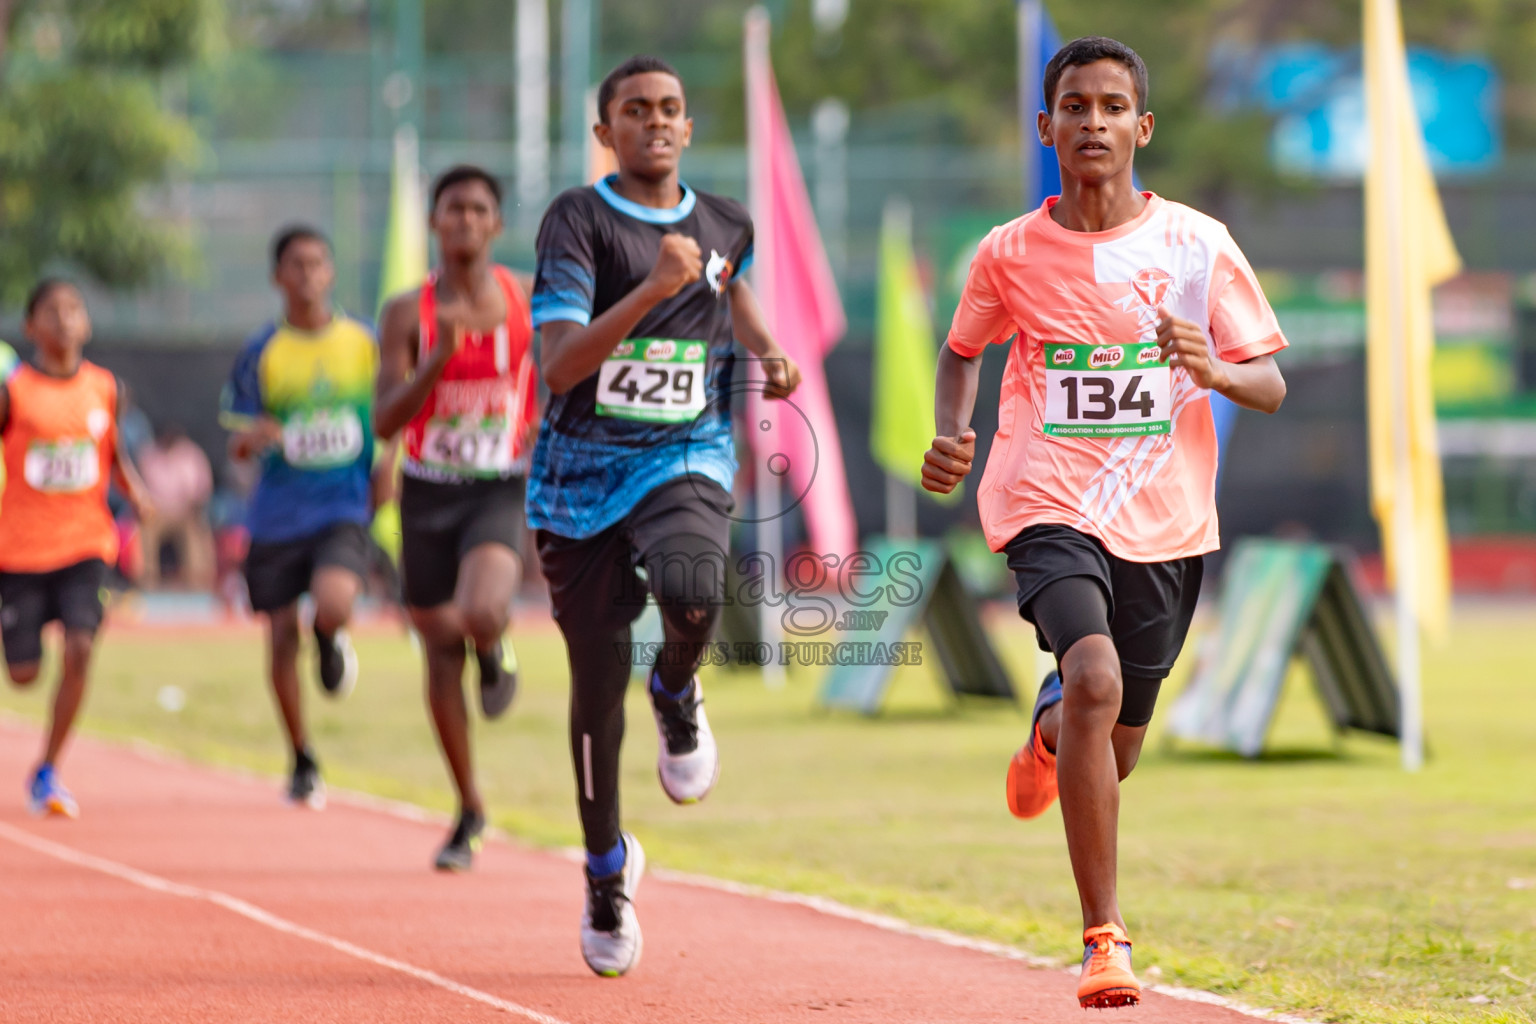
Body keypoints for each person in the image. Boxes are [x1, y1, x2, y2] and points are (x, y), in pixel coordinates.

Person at [922, 36, 1288, 1011]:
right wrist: (952, 432)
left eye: (1112, 106)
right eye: (1074, 106)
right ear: (1047, 129)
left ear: (1142, 126)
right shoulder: (1007, 251)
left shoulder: (1197, 245)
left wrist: (1211, 370)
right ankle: (1105, 937)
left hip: (1166, 523)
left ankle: (1050, 736)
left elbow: (1271, 381)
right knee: (1093, 674)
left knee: (1113, 740)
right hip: (1047, 499)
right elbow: (963, 351)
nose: (1093, 122)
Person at [530, 55, 800, 977]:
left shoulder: (726, 221)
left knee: (693, 591)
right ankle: (607, 869)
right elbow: (560, 366)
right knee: (593, 681)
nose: (656, 121)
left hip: (685, 451)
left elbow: (736, 288)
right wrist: (650, 289)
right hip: (578, 479)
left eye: (671, 109)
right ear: (607, 133)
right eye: (635, 110)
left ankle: (678, 692)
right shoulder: (580, 220)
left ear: (688, 129)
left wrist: (768, 353)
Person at [375, 166, 538, 872]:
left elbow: (560, 375)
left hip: (498, 485)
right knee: (439, 650)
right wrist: (436, 358)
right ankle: (468, 806)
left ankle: (496, 647)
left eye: (478, 209)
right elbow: (385, 418)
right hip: (427, 492)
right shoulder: (404, 313)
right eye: (453, 210)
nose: (465, 221)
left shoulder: (526, 299)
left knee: (480, 609)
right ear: (435, 224)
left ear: (496, 225)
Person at [222, 226, 384, 809]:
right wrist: (255, 438)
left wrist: (387, 469)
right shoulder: (262, 350)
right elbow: (238, 440)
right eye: (296, 265)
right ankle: (301, 754)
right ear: (278, 277)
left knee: (335, 601)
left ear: (332, 272)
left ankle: (332, 636)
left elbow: (391, 411)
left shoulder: (365, 342)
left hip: (343, 504)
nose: (309, 275)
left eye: (318, 263)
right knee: (279, 635)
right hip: (277, 514)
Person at [0, 280, 154, 817]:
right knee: (22, 675)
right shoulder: (13, 392)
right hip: (19, 549)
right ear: (31, 327)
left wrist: (136, 492)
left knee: (82, 647)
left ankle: (47, 770)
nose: (64, 321)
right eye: (51, 312)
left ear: (86, 323)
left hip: (87, 541)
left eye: (73, 310)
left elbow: (111, 453)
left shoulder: (106, 387)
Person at [136, 423, 216, 591]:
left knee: (196, 531)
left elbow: (202, 490)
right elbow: (141, 488)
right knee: (143, 532)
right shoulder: (149, 454)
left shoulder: (192, 454)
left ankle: (198, 584)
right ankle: (145, 582)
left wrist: (192, 508)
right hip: (156, 512)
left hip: (186, 512)